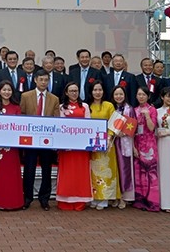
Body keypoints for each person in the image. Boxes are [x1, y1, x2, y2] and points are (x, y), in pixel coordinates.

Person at [20, 70, 60, 211]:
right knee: (29, 169)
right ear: (35, 80)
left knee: (46, 170)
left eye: (46, 80)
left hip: (47, 140)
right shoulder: (25, 96)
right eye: (41, 79)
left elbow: (56, 120)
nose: (43, 82)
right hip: (30, 140)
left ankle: (44, 199)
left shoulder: (54, 99)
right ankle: (27, 198)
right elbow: (22, 116)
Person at [0, 80, 24, 211]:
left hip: (12, 147)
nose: (7, 92)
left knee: (12, 174)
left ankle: (14, 202)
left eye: (9, 90)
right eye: (4, 90)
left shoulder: (16, 107)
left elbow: (20, 126)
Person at [56, 82, 92, 211]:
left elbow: (89, 126)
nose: (74, 93)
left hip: (81, 148)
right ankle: (65, 200)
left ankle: (80, 200)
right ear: (66, 92)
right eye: (71, 91)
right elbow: (59, 127)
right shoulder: (61, 108)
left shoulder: (85, 106)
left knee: (80, 174)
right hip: (67, 148)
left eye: (76, 91)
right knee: (67, 174)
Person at [88, 80, 119, 210]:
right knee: (94, 170)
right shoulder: (87, 106)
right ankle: (95, 196)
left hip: (107, 142)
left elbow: (114, 123)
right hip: (92, 143)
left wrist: (109, 137)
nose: (97, 92)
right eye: (95, 90)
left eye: (100, 90)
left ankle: (105, 198)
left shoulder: (109, 105)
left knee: (106, 169)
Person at [132, 87, 160, 212]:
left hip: (149, 145)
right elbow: (131, 131)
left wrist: (148, 116)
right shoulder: (134, 110)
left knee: (151, 174)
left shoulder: (152, 110)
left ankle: (152, 202)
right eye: (139, 94)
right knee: (139, 173)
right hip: (138, 143)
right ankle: (140, 201)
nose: (141, 97)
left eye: (143, 94)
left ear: (148, 96)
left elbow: (152, 127)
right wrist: (133, 147)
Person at [111, 85, 135, 209]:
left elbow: (133, 127)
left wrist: (123, 133)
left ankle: (124, 197)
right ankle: (115, 195)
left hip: (124, 142)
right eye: (116, 94)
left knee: (124, 168)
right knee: (114, 169)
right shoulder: (111, 108)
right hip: (113, 143)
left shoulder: (129, 109)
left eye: (121, 94)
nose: (118, 96)